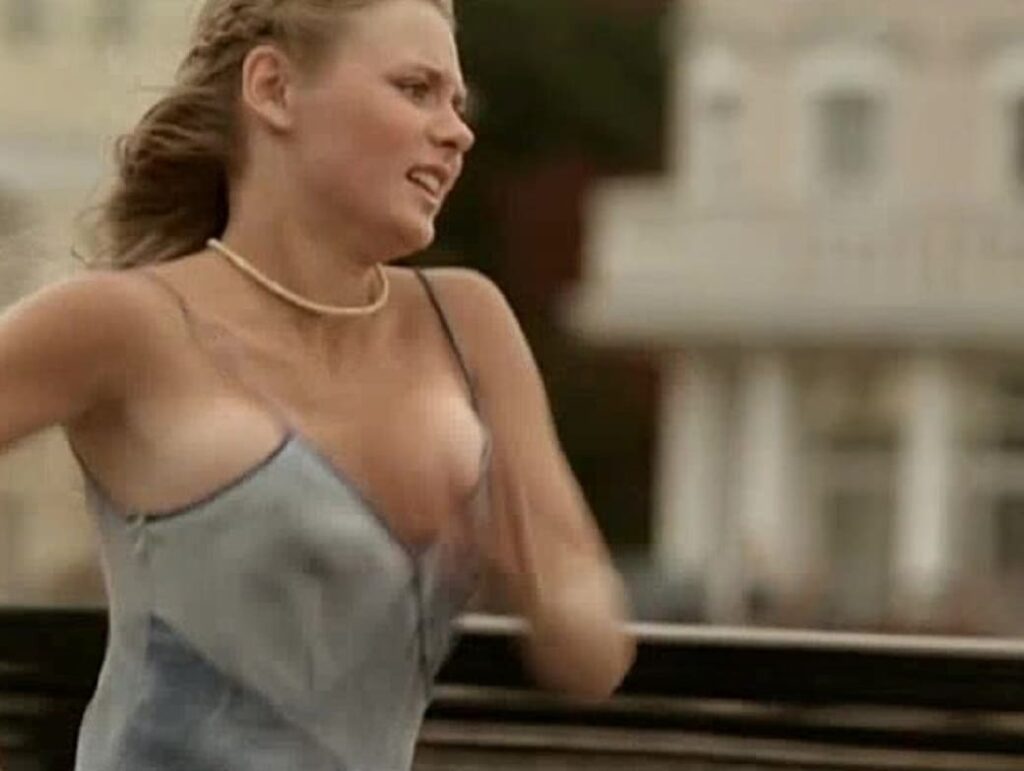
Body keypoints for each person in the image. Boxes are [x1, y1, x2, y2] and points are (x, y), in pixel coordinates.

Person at [0, 0, 635, 768]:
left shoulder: (468, 325)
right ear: (273, 88)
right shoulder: (126, 323)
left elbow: (592, 656)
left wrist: (508, 538)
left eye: (457, 103)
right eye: (416, 89)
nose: (457, 131)